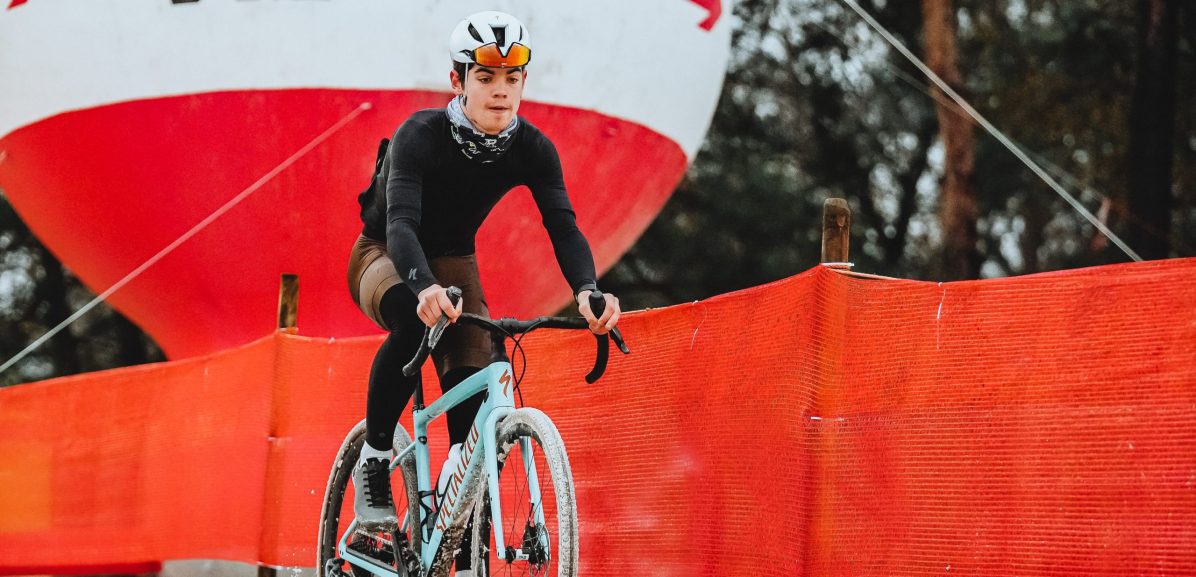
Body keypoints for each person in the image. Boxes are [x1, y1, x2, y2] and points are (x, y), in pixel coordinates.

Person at [344, 9, 620, 574]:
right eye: (486, 78)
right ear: (457, 81)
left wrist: (589, 291)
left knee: (473, 399)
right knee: (415, 321)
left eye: (512, 79)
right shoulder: (419, 135)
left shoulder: (533, 149)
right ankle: (374, 462)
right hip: (385, 251)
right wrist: (421, 287)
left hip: (455, 261)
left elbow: (563, 226)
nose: (500, 92)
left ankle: (456, 522)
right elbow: (400, 225)